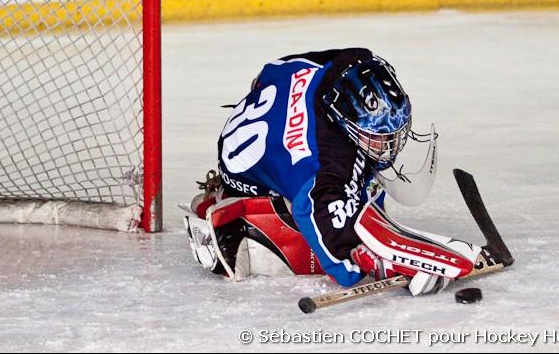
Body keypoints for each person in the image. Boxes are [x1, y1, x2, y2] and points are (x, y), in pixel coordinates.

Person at [184, 48, 482, 296]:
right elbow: (341, 260)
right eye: (376, 136)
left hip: (253, 133)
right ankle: (235, 222)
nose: (388, 144)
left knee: (361, 174)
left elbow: (262, 77)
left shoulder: (348, 63)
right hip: (249, 180)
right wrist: (375, 261)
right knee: (325, 219)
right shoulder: (323, 164)